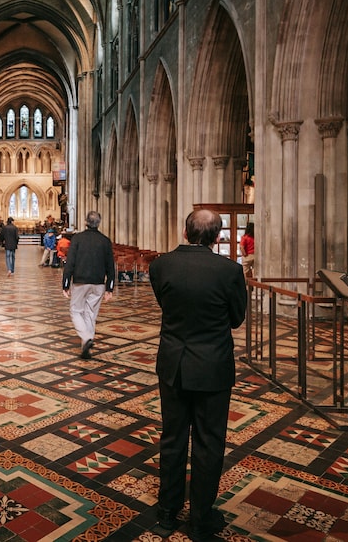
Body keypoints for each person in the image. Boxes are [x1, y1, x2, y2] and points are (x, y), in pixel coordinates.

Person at [149, 209, 247, 541]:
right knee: (208, 442)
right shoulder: (230, 271)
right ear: (218, 236)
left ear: (185, 232)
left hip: (174, 363)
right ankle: (201, 517)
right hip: (213, 367)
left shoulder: (161, 265)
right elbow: (236, 319)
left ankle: (167, 511)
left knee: (173, 438)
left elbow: (165, 303)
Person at [62, 211, 115, 359]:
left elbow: (70, 261)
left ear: (86, 222)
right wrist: (110, 287)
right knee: (90, 314)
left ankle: (86, 338)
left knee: (76, 311)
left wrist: (66, 283)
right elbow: (110, 265)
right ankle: (86, 348)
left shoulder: (78, 238)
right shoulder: (105, 241)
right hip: (98, 283)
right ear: (99, 223)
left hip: (80, 282)